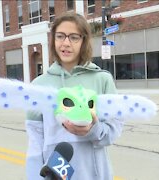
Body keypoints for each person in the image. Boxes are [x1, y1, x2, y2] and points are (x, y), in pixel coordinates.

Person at [25, 12, 123, 180]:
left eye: (74, 37)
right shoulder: (38, 85)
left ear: (84, 41)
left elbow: (114, 130)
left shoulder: (102, 79)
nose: (66, 43)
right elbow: (35, 141)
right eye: (60, 36)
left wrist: (93, 130)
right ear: (53, 40)